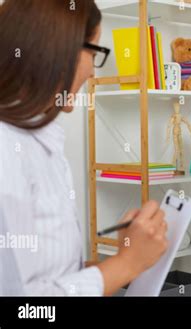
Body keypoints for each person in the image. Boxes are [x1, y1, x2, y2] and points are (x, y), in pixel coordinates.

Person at [0, 0, 168, 296]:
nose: (92, 71)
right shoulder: (7, 151)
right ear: (56, 51)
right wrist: (126, 264)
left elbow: (51, 274)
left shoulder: (42, 139)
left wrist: (128, 255)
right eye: (93, 52)